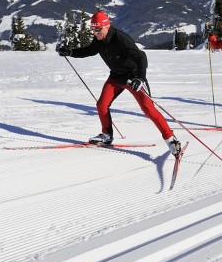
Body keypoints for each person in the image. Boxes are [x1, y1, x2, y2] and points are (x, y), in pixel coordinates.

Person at [57, 10, 181, 155]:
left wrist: (140, 78)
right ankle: (107, 135)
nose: (95, 32)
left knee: (148, 109)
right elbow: (89, 50)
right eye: (92, 29)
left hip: (132, 78)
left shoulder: (121, 38)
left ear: (106, 26)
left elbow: (141, 57)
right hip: (116, 77)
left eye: (97, 29)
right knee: (101, 104)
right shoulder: (98, 40)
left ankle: (171, 139)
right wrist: (70, 52)